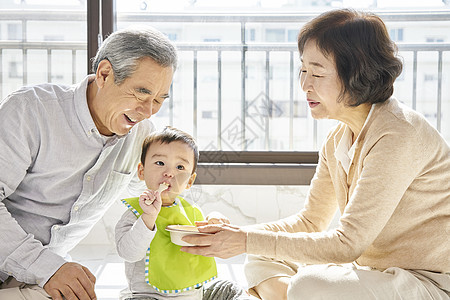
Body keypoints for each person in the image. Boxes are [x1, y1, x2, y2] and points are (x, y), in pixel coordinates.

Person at [180, 9, 450, 300]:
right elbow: (310, 221)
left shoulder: (398, 134)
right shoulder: (338, 138)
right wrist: (237, 235)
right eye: (303, 70)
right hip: (371, 275)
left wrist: (244, 240)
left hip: (425, 282)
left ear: (357, 74)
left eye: (318, 72)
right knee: (260, 256)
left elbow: (347, 245)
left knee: (308, 284)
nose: (305, 85)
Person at [0, 26, 177, 300]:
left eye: (158, 100)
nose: (148, 111)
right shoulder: (30, 110)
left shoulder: (140, 135)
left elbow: (152, 192)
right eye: (141, 93)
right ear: (105, 74)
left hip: (43, 279)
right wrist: (47, 267)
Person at [115, 126, 248, 300]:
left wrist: (213, 222)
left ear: (189, 181)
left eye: (179, 167)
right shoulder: (135, 213)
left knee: (230, 290)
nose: (169, 173)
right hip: (149, 296)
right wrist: (148, 218)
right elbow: (128, 253)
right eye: (160, 163)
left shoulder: (191, 211)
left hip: (194, 294)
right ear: (141, 171)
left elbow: (205, 243)